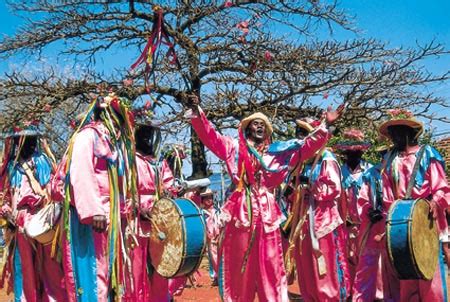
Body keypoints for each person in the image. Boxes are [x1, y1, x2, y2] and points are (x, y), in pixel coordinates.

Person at [187, 95, 342, 301]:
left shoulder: (277, 153)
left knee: (271, 264)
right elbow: (211, 136)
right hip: (241, 211)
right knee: (240, 268)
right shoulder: (233, 148)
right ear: (247, 128)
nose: (259, 127)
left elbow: (306, 147)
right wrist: (198, 113)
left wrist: (325, 126)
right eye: (255, 124)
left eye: (262, 125)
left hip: (267, 213)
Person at [52, 92, 136, 302]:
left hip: (110, 219)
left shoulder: (111, 142)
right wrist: (94, 211)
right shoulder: (87, 136)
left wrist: (124, 208)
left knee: (108, 273)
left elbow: (116, 184)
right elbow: (81, 171)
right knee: (93, 274)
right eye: (118, 115)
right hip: (90, 219)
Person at [378, 109, 449, 301]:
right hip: (400, 221)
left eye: (396, 133)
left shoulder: (428, 154)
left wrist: (435, 202)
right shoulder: (389, 159)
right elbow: (387, 195)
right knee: (406, 275)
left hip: (425, 218)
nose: (393, 137)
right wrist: (388, 220)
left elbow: (441, 187)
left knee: (429, 274)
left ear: (409, 132)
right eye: (391, 133)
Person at [283, 118, 349, 301]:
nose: (299, 137)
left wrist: (311, 185)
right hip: (303, 222)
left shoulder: (326, 159)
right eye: (298, 133)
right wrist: (290, 191)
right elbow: (293, 191)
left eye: (303, 133)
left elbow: (334, 189)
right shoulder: (300, 162)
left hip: (323, 223)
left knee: (324, 269)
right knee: (307, 269)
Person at [0, 122, 66, 301]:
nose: (28, 144)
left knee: (50, 266)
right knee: (24, 267)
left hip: (42, 218)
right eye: (23, 140)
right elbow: (3, 196)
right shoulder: (10, 168)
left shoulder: (43, 161)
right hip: (19, 222)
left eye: (31, 140)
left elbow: (53, 188)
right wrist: (6, 212)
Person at [127, 121, 176, 301]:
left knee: (160, 266)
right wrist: (136, 208)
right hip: (135, 225)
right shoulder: (129, 162)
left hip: (159, 224)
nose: (147, 138)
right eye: (143, 134)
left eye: (150, 134)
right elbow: (120, 192)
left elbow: (170, 185)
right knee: (136, 269)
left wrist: (169, 194)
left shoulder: (159, 164)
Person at [352, 143, 400, 301]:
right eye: (384, 153)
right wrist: (368, 211)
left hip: (395, 226)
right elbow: (363, 198)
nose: (386, 156)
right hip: (373, 226)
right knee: (369, 264)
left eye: (389, 152)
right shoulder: (371, 173)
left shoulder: (400, 172)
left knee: (394, 264)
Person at [334, 129, 372, 285]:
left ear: (362, 153)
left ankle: (367, 290)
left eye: (357, 152)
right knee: (346, 255)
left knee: (366, 256)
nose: (354, 155)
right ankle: (348, 288)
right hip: (345, 222)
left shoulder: (370, 171)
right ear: (345, 153)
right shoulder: (338, 172)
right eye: (350, 152)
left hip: (366, 222)